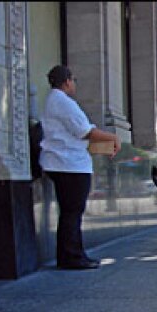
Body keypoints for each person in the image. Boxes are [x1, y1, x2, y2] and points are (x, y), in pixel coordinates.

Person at [39, 64, 121, 270]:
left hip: (64, 163)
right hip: (68, 165)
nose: (74, 84)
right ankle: (72, 257)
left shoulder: (54, 101)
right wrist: (113, 137)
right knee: (72, 212)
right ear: (67, 81)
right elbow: (85, 131)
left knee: (70, 212)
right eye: (73, 80)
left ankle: (71, 255)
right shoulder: (62, 101)